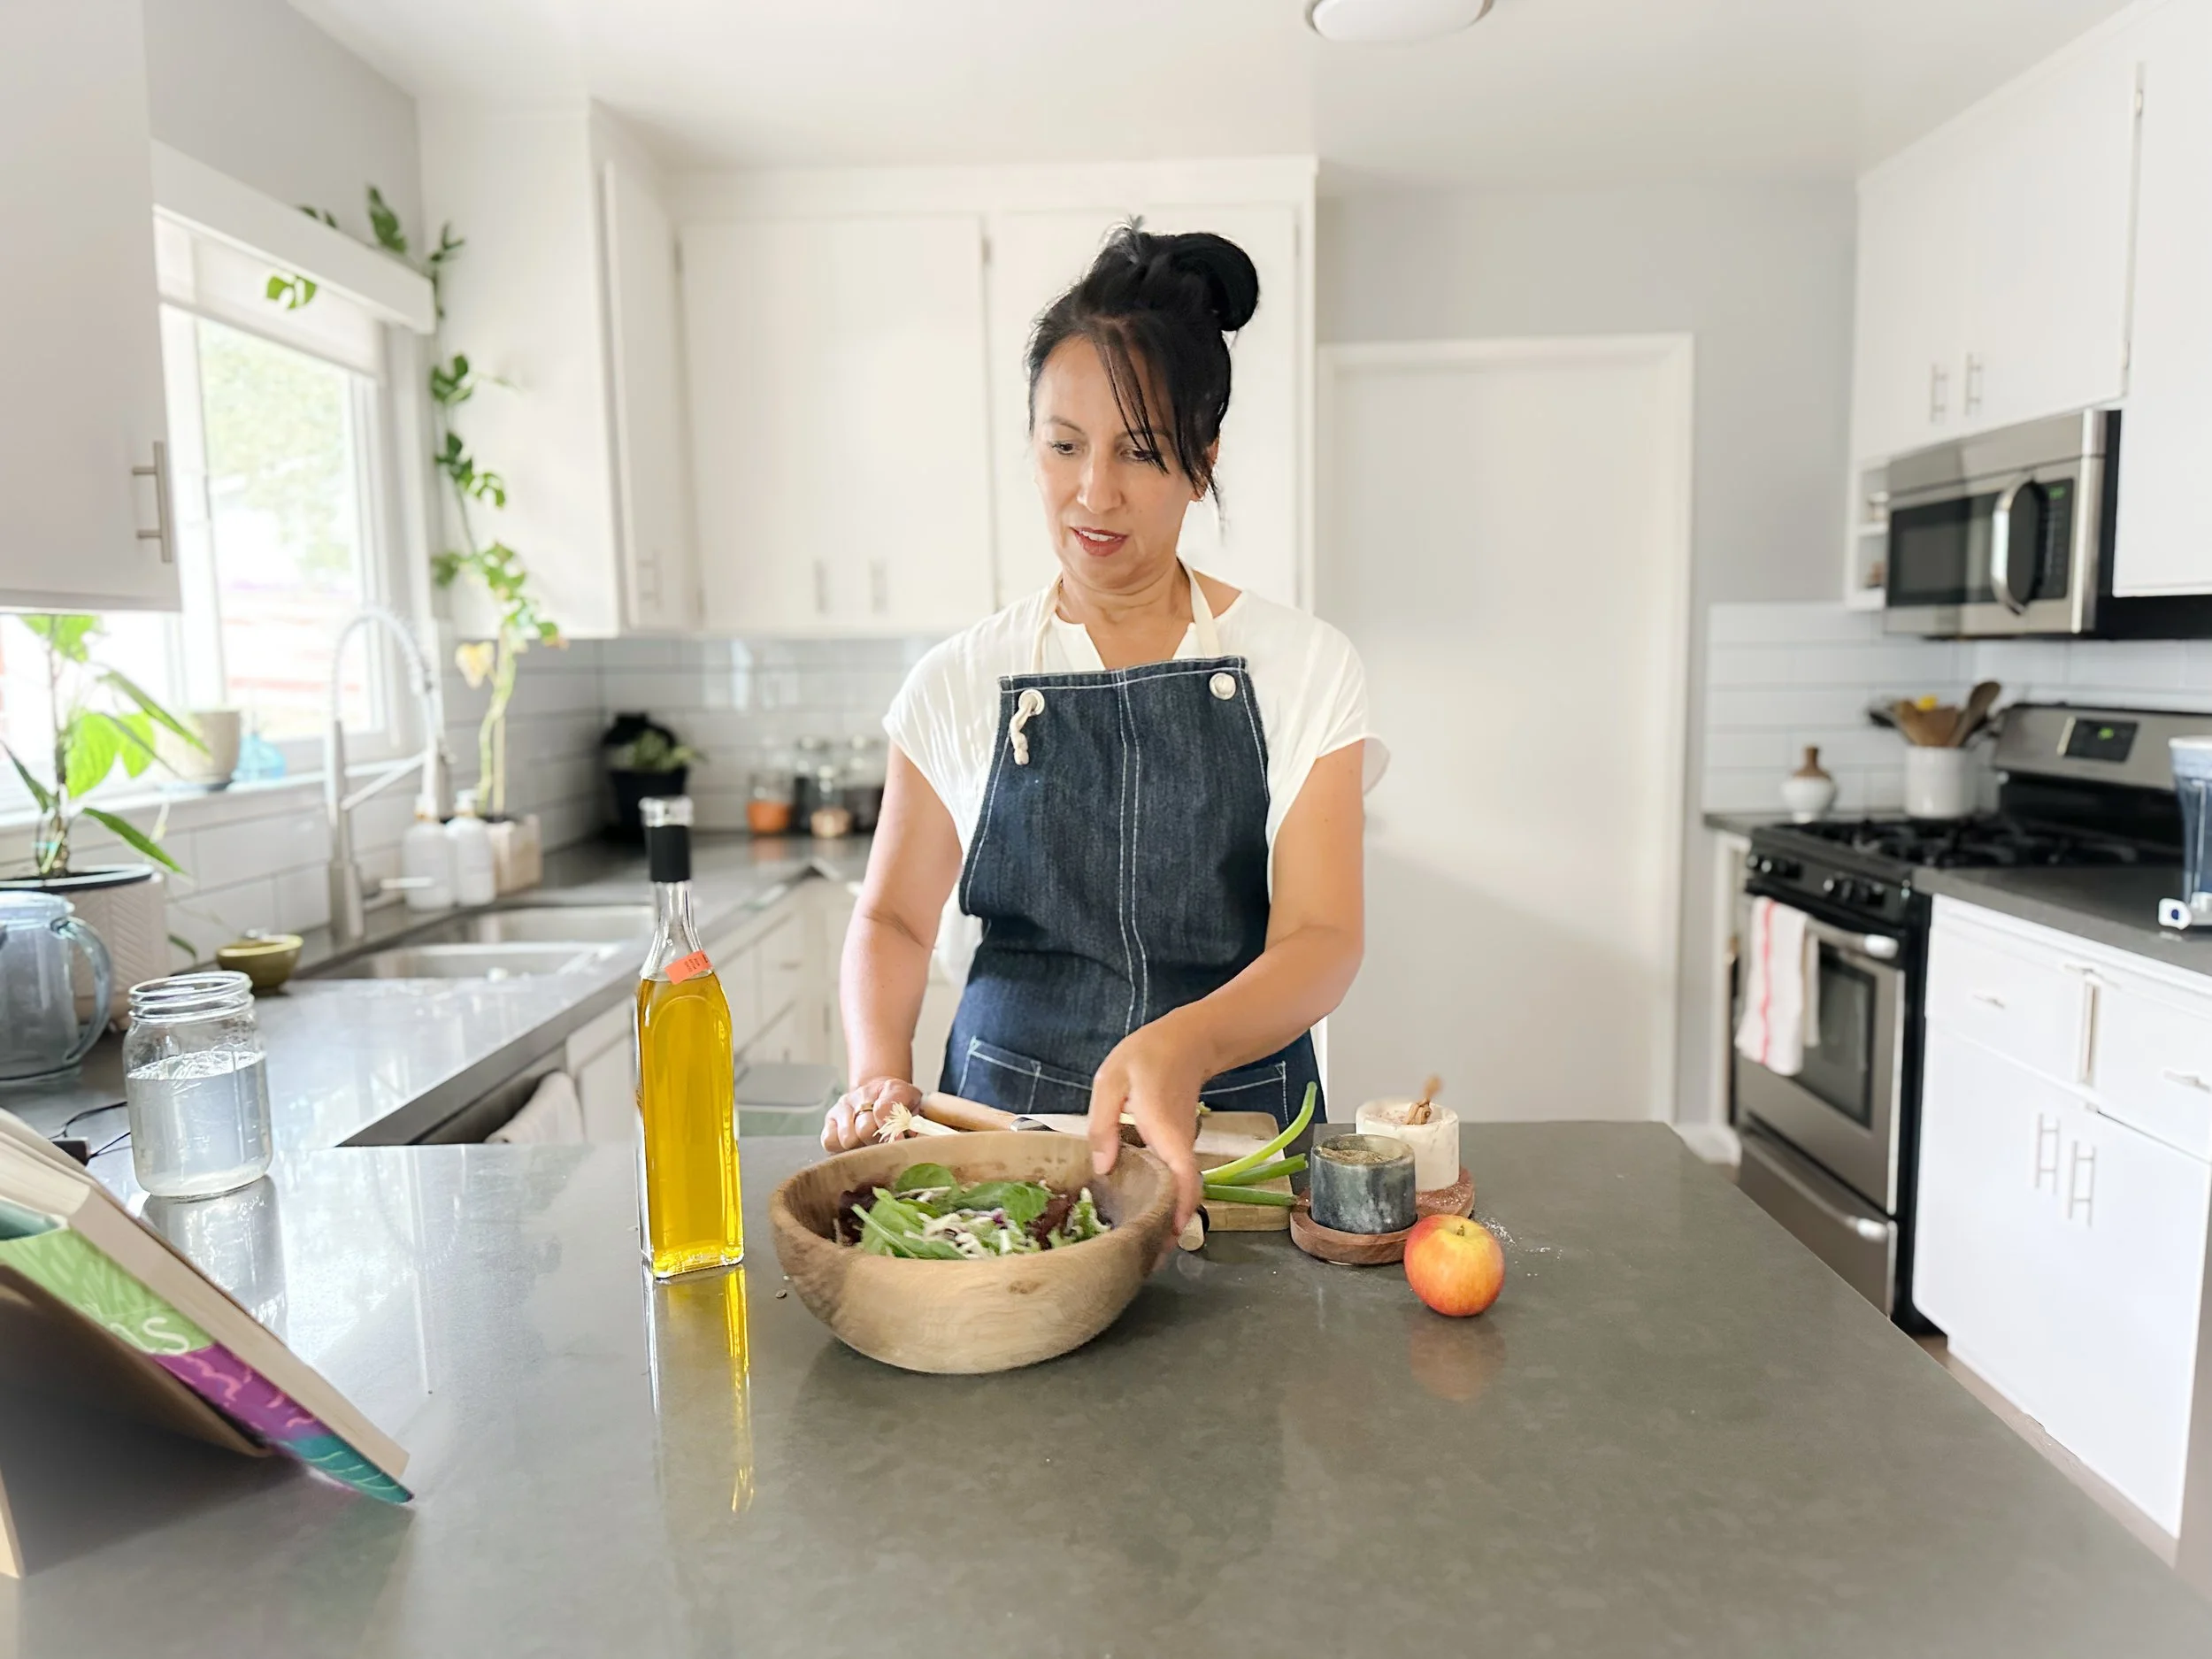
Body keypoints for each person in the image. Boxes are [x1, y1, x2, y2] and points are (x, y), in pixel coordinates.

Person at [821, 223, 1384, 1231]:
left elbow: (1322, 936)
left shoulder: (1303, 665)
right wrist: (877, 1073)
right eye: (1064, 444)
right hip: (1000, 1141)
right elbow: (894, 920)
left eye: (1141, 451)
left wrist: (1185, 1045)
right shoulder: (957, 681)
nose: (1094, 492)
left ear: (1201, 462)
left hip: (1233, 1142)